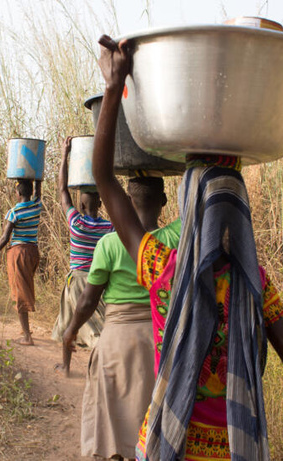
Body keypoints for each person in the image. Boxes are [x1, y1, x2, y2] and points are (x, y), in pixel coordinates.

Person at [93, 35, 283, 460]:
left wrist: (113, 86)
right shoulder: (256, 286)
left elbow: (104, 180)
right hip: (233, 448)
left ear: (190, 207)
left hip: (165, 442)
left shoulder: (163, 269)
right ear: (240, 211)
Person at [61, 176, 180, 461]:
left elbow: (88, 301)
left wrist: (71, 330)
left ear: (127, 202)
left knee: (111, 419)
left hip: (116, 341)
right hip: (158, 341)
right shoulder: (174, 238)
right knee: (151, 416)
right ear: (163, 202)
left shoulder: (108, 244)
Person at [51, 137, 114, 348]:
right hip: (99, 282)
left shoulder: (76, 223)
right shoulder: (109, 228)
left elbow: (62, 190)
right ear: (101, 203)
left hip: (77, 281)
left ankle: (68, 365)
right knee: (95, 323)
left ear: (80, 204)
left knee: (79, 329)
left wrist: (64, 155)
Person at [0, 178, 42, 346]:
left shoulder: (14, 212)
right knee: (24, 287)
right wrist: (35, 175)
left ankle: (27, 337)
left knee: (20, 292)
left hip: (19, 253)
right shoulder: (37, 206)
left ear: (18, 193)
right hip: (33, 253)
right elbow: (38, 189)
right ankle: (25, 330)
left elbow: (4, 238)